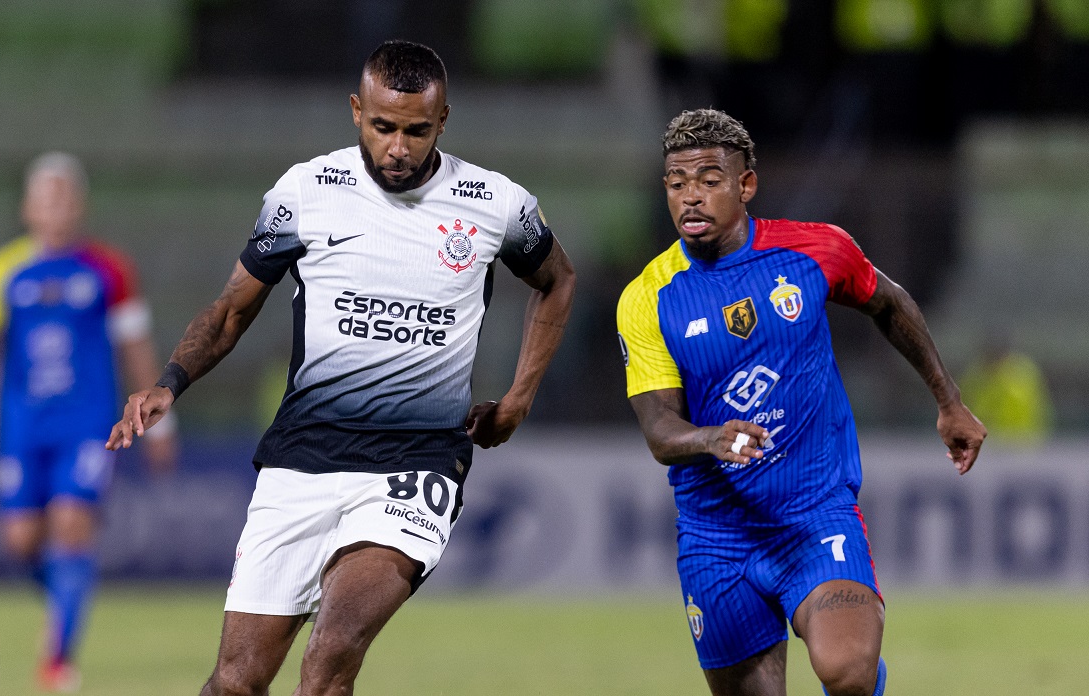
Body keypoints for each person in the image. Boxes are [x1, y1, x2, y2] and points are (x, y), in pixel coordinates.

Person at [106, 40, 575, 696]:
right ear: (357, 111)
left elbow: (557, 281)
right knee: (234, 682)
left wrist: (520, 396)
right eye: (383, 127)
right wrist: (169, 383)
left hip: (415, 466)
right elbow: (232, 310)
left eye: (417, 130)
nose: (399, 148)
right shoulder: (306, 192)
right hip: (301, 462)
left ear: (443, 121)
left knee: (329, 658)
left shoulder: (495, 203)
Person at [616, 109, 985, 696]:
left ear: (746, 184)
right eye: (677, 182)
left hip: (815, 512)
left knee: (847, 671)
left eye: (709, 180)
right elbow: (660, 430)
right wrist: (710, 438)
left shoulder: (814, 251)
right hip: (717, 536)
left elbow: (888, 302)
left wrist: (949, 400)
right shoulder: (647, 298)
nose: (691, 197)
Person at [0, 152, 176, 692]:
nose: (55, 207)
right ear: (27, 208)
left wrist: (159, 422)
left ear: (78, 206)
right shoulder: (1, 270)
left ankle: (58, 658)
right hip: (24, 425)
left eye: (64, 196)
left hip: (88, 423)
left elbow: (136, 347)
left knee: (73, 528)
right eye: (45, 197)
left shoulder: (110, 270)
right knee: (20, 539)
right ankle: (63, 601)